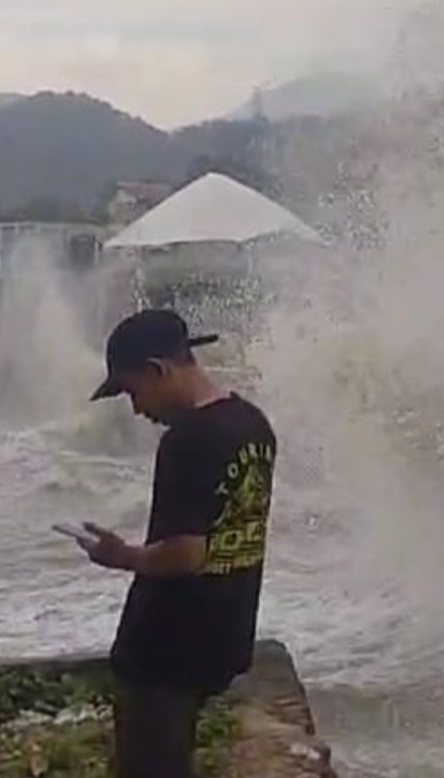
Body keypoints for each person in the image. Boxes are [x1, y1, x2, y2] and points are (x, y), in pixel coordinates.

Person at [75, 309, 277, 778]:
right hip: (222, 636)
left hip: (164, 651)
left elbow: (186, 553)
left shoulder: (187, 441)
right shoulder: (254, 425)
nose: (136, 408)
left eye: (132, 390)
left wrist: (119, 555)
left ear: (158, 369)